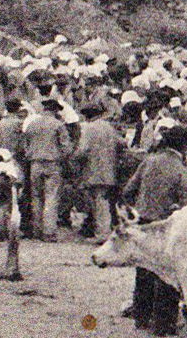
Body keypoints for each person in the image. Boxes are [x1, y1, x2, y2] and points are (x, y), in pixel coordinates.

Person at [121, 126, 187, 337]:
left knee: (144, 270)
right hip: (165, 226)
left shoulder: (149, 161)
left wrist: (139, 207)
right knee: (167, 275)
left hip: (144, 223)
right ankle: (164, 323)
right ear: (184, 147)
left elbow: (128, 190)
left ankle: (141, 317)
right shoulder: (180, 169)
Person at [22, 97, 72, 241]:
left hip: (35, 164)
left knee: (36, 197)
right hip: (53, 164)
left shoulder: (32, 124)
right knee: (51, 197)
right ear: (55, 110)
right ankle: (49, 231)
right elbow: (66, 147)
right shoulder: (58, 125)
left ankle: (36, 230)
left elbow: (25, 146)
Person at [74, 104, 123, 239]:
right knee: (103, 200)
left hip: (93, 169)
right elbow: (121, 143)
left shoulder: (88, 128)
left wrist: (74, 156)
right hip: (109, 168)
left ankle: (103, 233)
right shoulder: (109, 127)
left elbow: (83, 150)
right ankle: (103, 231)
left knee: (98, 202)